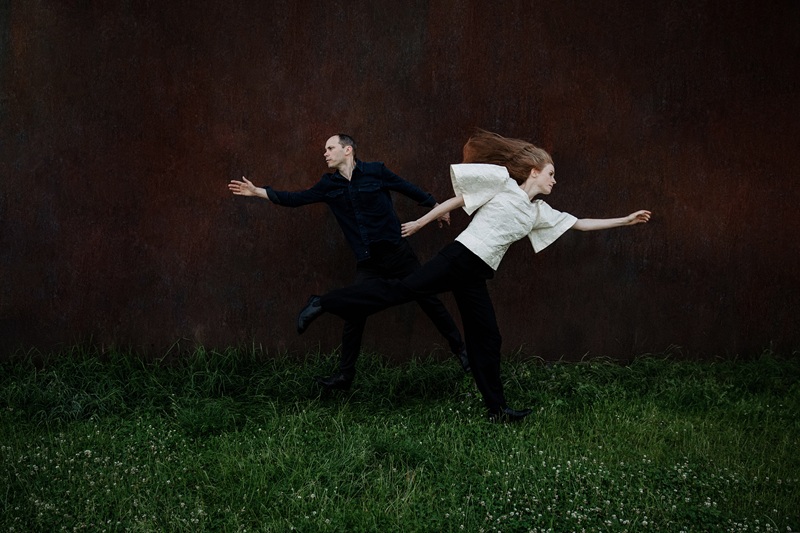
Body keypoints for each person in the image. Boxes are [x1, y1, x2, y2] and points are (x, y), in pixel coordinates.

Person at [296, 129, 651, 422]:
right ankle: (323, 302)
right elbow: (459, 200)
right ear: (534, 171)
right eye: (551, 174)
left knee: (489, 336)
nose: (554, 181)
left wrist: (624, 220)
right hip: (459, 257)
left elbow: (579, 223)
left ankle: (497, 410)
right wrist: (423, 220)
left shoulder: (538, 212)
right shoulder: (502, 184)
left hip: (476, 272)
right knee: (399, 291)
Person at [228, 134, 469, 391]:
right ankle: (345, 376)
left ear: (348, 150)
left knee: (428, 299)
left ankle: (463, 353)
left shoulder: (376, 172)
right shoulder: (328, 185)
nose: (325, 153)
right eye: (325, 149)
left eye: (330, 148)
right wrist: (258, 192)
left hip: (398, 254)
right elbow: (296, 198)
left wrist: (436, 207)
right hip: (369, 262)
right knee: (355, 311)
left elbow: (406, 187)